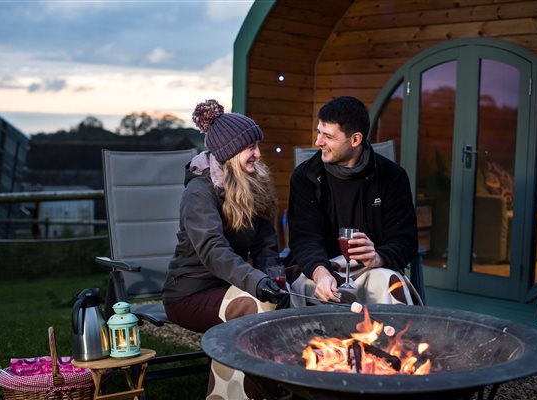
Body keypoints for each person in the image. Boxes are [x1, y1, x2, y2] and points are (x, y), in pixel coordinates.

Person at [162, 99, 288, 400]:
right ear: (229, 152)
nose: (258, 154)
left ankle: (279, 386)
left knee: (291, 298)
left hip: (232, 285)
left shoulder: (254, 184)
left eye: (258, 145)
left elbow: (266, 245)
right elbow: (213, 250)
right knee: (254, 306)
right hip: (190, 293)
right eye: (251, 147)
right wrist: (256, 283)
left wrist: (273, 278)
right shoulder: (199, 193)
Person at [287, 96, 420, 306]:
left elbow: (405, 240)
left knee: (388, 282)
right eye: (319, 132)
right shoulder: (306, 176)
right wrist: (321, 273)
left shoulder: (392, 177)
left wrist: (378, 257)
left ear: (355, 140)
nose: (318, 142)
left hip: (371, 269)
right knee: (306, 289)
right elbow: (304, 238)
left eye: (328, 136)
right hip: (319, 269)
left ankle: (395, 339)